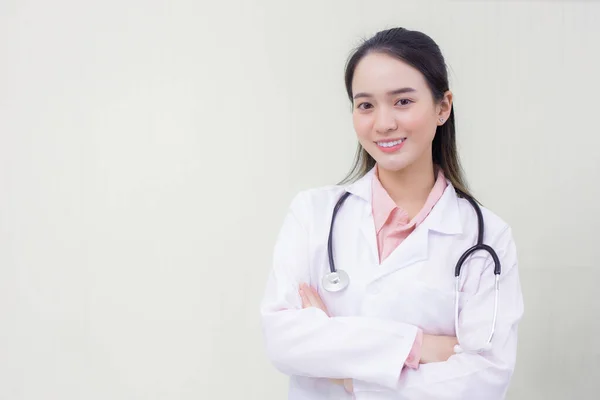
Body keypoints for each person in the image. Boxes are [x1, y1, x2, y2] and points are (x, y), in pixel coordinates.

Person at [260, 27, 524, 400]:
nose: (383, 123)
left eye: (402, 102)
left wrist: (350, 377)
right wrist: (419, 346)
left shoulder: (487, 238)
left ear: (442, 107)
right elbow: (283, 339)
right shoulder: (313, 214)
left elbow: (484, 379)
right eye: (365, 105)